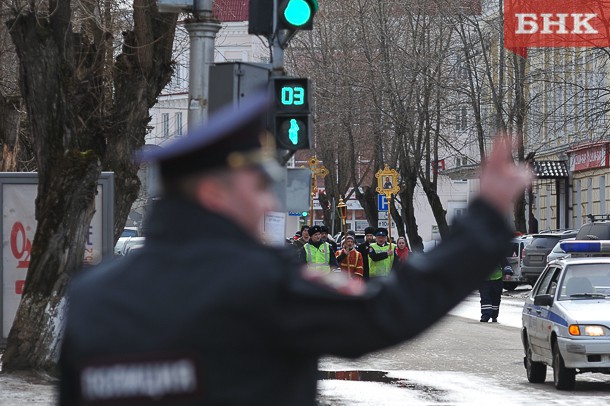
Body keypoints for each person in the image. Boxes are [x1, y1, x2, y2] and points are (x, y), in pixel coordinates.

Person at [58, 92, 531, 405]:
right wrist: (486, 216)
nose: (268, 199)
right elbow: (389, 311)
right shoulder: (260, 284)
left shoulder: (93, 296)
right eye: (259, 183)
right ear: (214, 193)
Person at [479, 257, 514, 322]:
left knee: (496, 299)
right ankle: (485, 316)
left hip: (497, 280)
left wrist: (508, 273)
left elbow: (505, 263)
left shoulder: (496, 251)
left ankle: (494, 315)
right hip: (484, 281)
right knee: (485, 298)